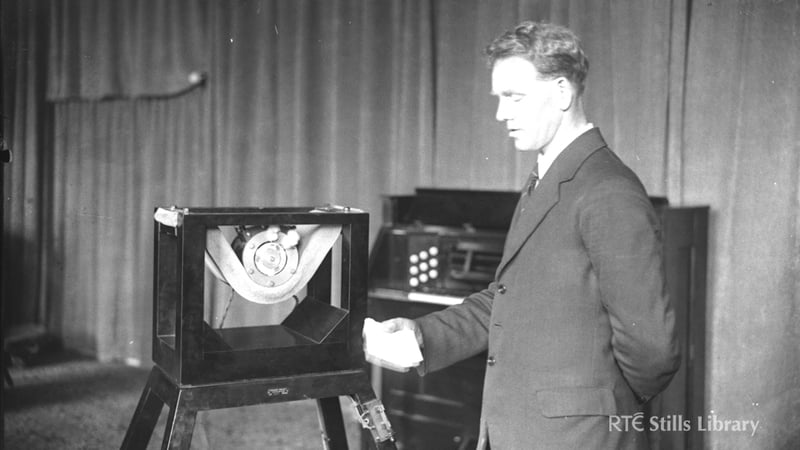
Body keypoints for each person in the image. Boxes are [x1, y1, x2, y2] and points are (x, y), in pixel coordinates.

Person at [364, 21, 681, 449]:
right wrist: (420, 338)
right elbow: (507, 298)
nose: (500, 113)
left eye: (514, 97)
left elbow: (653, 350)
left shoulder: (608, 192)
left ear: (563, 92)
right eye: (499, 98)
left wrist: (607, 412)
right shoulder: (545, 179)